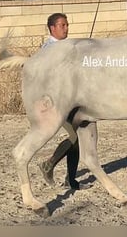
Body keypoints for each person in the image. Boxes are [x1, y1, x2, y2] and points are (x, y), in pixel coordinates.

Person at [38, 13, 82, 190]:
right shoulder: (49, 49)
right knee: (73, 136)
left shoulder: (66, 46)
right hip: (56, 101)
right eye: (62, 25)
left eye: (67, 25)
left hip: (72, 99)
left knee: (78, 140)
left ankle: (71, 181)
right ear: (52, 28)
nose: (66, 28)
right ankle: (48, 164)